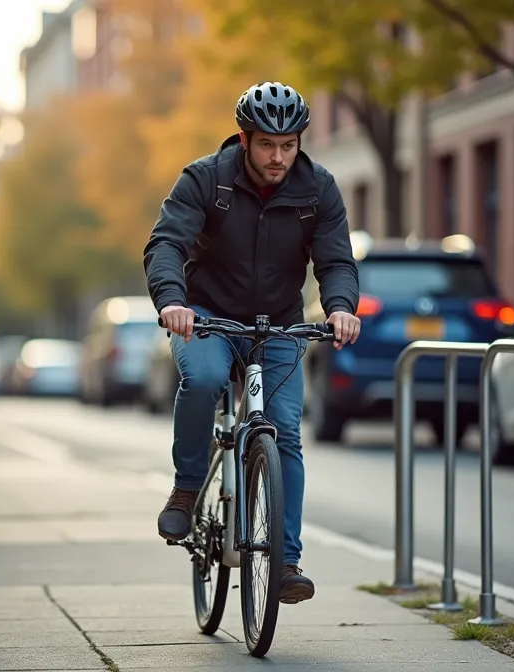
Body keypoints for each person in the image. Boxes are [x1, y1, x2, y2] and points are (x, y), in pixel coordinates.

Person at [143, 81, 362, 605]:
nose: (279, 156)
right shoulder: (205, 179)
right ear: (244, 138)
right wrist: (173, 301)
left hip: (280, 324)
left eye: (290, 145)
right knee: (206, 378)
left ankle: (285, 562)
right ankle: (188, 486)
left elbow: (335, 260)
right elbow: (166, 243)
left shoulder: (318, 188)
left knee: (284, 431)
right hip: (206, 315)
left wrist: (339, 307)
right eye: (268, 144)